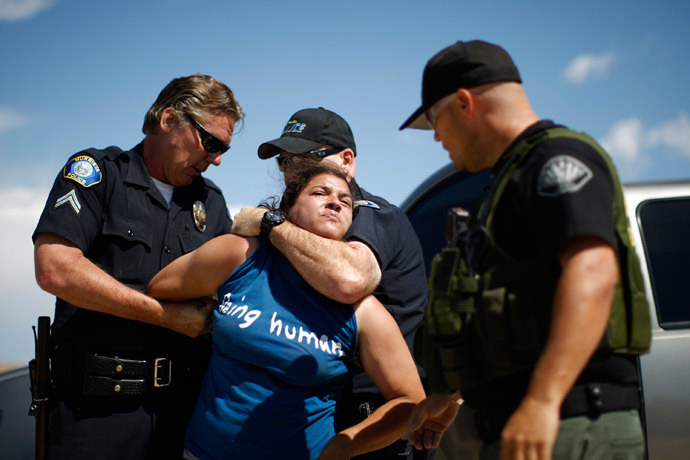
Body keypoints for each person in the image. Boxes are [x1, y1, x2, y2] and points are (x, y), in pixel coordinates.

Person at [400, 40, 651, 460]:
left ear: (464, 103)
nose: (437, 136)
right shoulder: (509, 181)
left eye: (434, 119)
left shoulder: (556, 160)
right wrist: (455, 395)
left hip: (570, 424)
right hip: (537, 425)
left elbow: (592, 273)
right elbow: (513, 310)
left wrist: (542, 401)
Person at [147, 163, 426, 460]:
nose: (335, 202)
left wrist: (349, 443)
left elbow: (410, 400)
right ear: (288, 207)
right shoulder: (240, 255)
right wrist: (207, 316)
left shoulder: (362, 311)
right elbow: (160, 288)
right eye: (320, 192)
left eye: (345, 201)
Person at [32, 74, 242, 460]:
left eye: (223, 148)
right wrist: (166, 316)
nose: (216, 159)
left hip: (183, 414)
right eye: (210, 143)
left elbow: (233, 287)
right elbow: (55, 269)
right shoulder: (98, 173)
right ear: (168, 120)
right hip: (95, 415)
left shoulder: (210, 203)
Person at [231, 107, 430, 459]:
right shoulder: (304, 224)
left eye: (305, 159)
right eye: (283, 161)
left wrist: (270, 222)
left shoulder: (369, 212)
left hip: (377, 414)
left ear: (347, 160)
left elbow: (350, 279)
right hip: (322, 402)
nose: (291, 171)